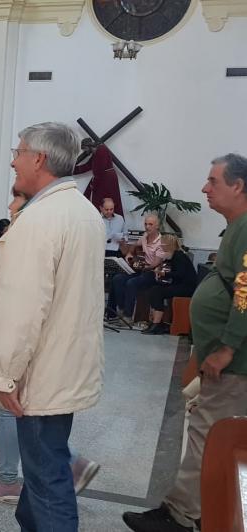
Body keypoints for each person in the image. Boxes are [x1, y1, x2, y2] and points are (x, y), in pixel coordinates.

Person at [0, 122, 105, 532]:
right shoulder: (83, 212)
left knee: (48, 479)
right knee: (41, 473)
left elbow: (22, 310)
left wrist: (6, 375)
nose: (13, 160)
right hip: (64, 363)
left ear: (39, 158)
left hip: (37, 372)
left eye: (18, 151)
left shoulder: (38, 221)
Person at [122, 153, 247, 532]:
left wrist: (226, 348)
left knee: (210, 434)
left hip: (235, 362)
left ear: (238, 186)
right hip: (226, 357)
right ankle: (203, 509)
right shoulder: (237, 227)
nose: (205, 189)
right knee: (210, 434)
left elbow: (246, 291)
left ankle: (180, 516)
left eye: (213, 181)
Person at [0, 188, 100, 505]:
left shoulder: (31, 232)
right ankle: (67, 465)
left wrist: (6, 374)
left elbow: (22, 305)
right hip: (52, 351)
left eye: (14, 198)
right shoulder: (77, 217)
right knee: (33, 424)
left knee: (14, 416)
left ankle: (13, 479)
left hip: (27, 352)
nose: (9, 205)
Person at [107, 213, 166, 320]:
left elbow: (155, 264)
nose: (147, 227)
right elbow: (134, 245)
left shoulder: (161, 242)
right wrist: (130, 253)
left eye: (150, 224)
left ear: (157, 226)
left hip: (153, 273)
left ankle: (127, 316)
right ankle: (121, 308)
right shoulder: (144, 237)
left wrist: (142, 266)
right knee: (118, 278)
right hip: (142, 270)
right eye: (146, 224)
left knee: (131, 282)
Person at [141, 234, 197, 335]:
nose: (161, 246)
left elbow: (180, 274)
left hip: (186, 287)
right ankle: (156, 322)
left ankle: (157, 324)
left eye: (162, 244)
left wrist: (164, 273)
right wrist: (159, 269)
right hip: (178, 285)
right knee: (153, 290)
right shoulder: (172, 256)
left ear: (168, 245)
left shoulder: (179, 256)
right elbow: (166, 267)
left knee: (157, 292)